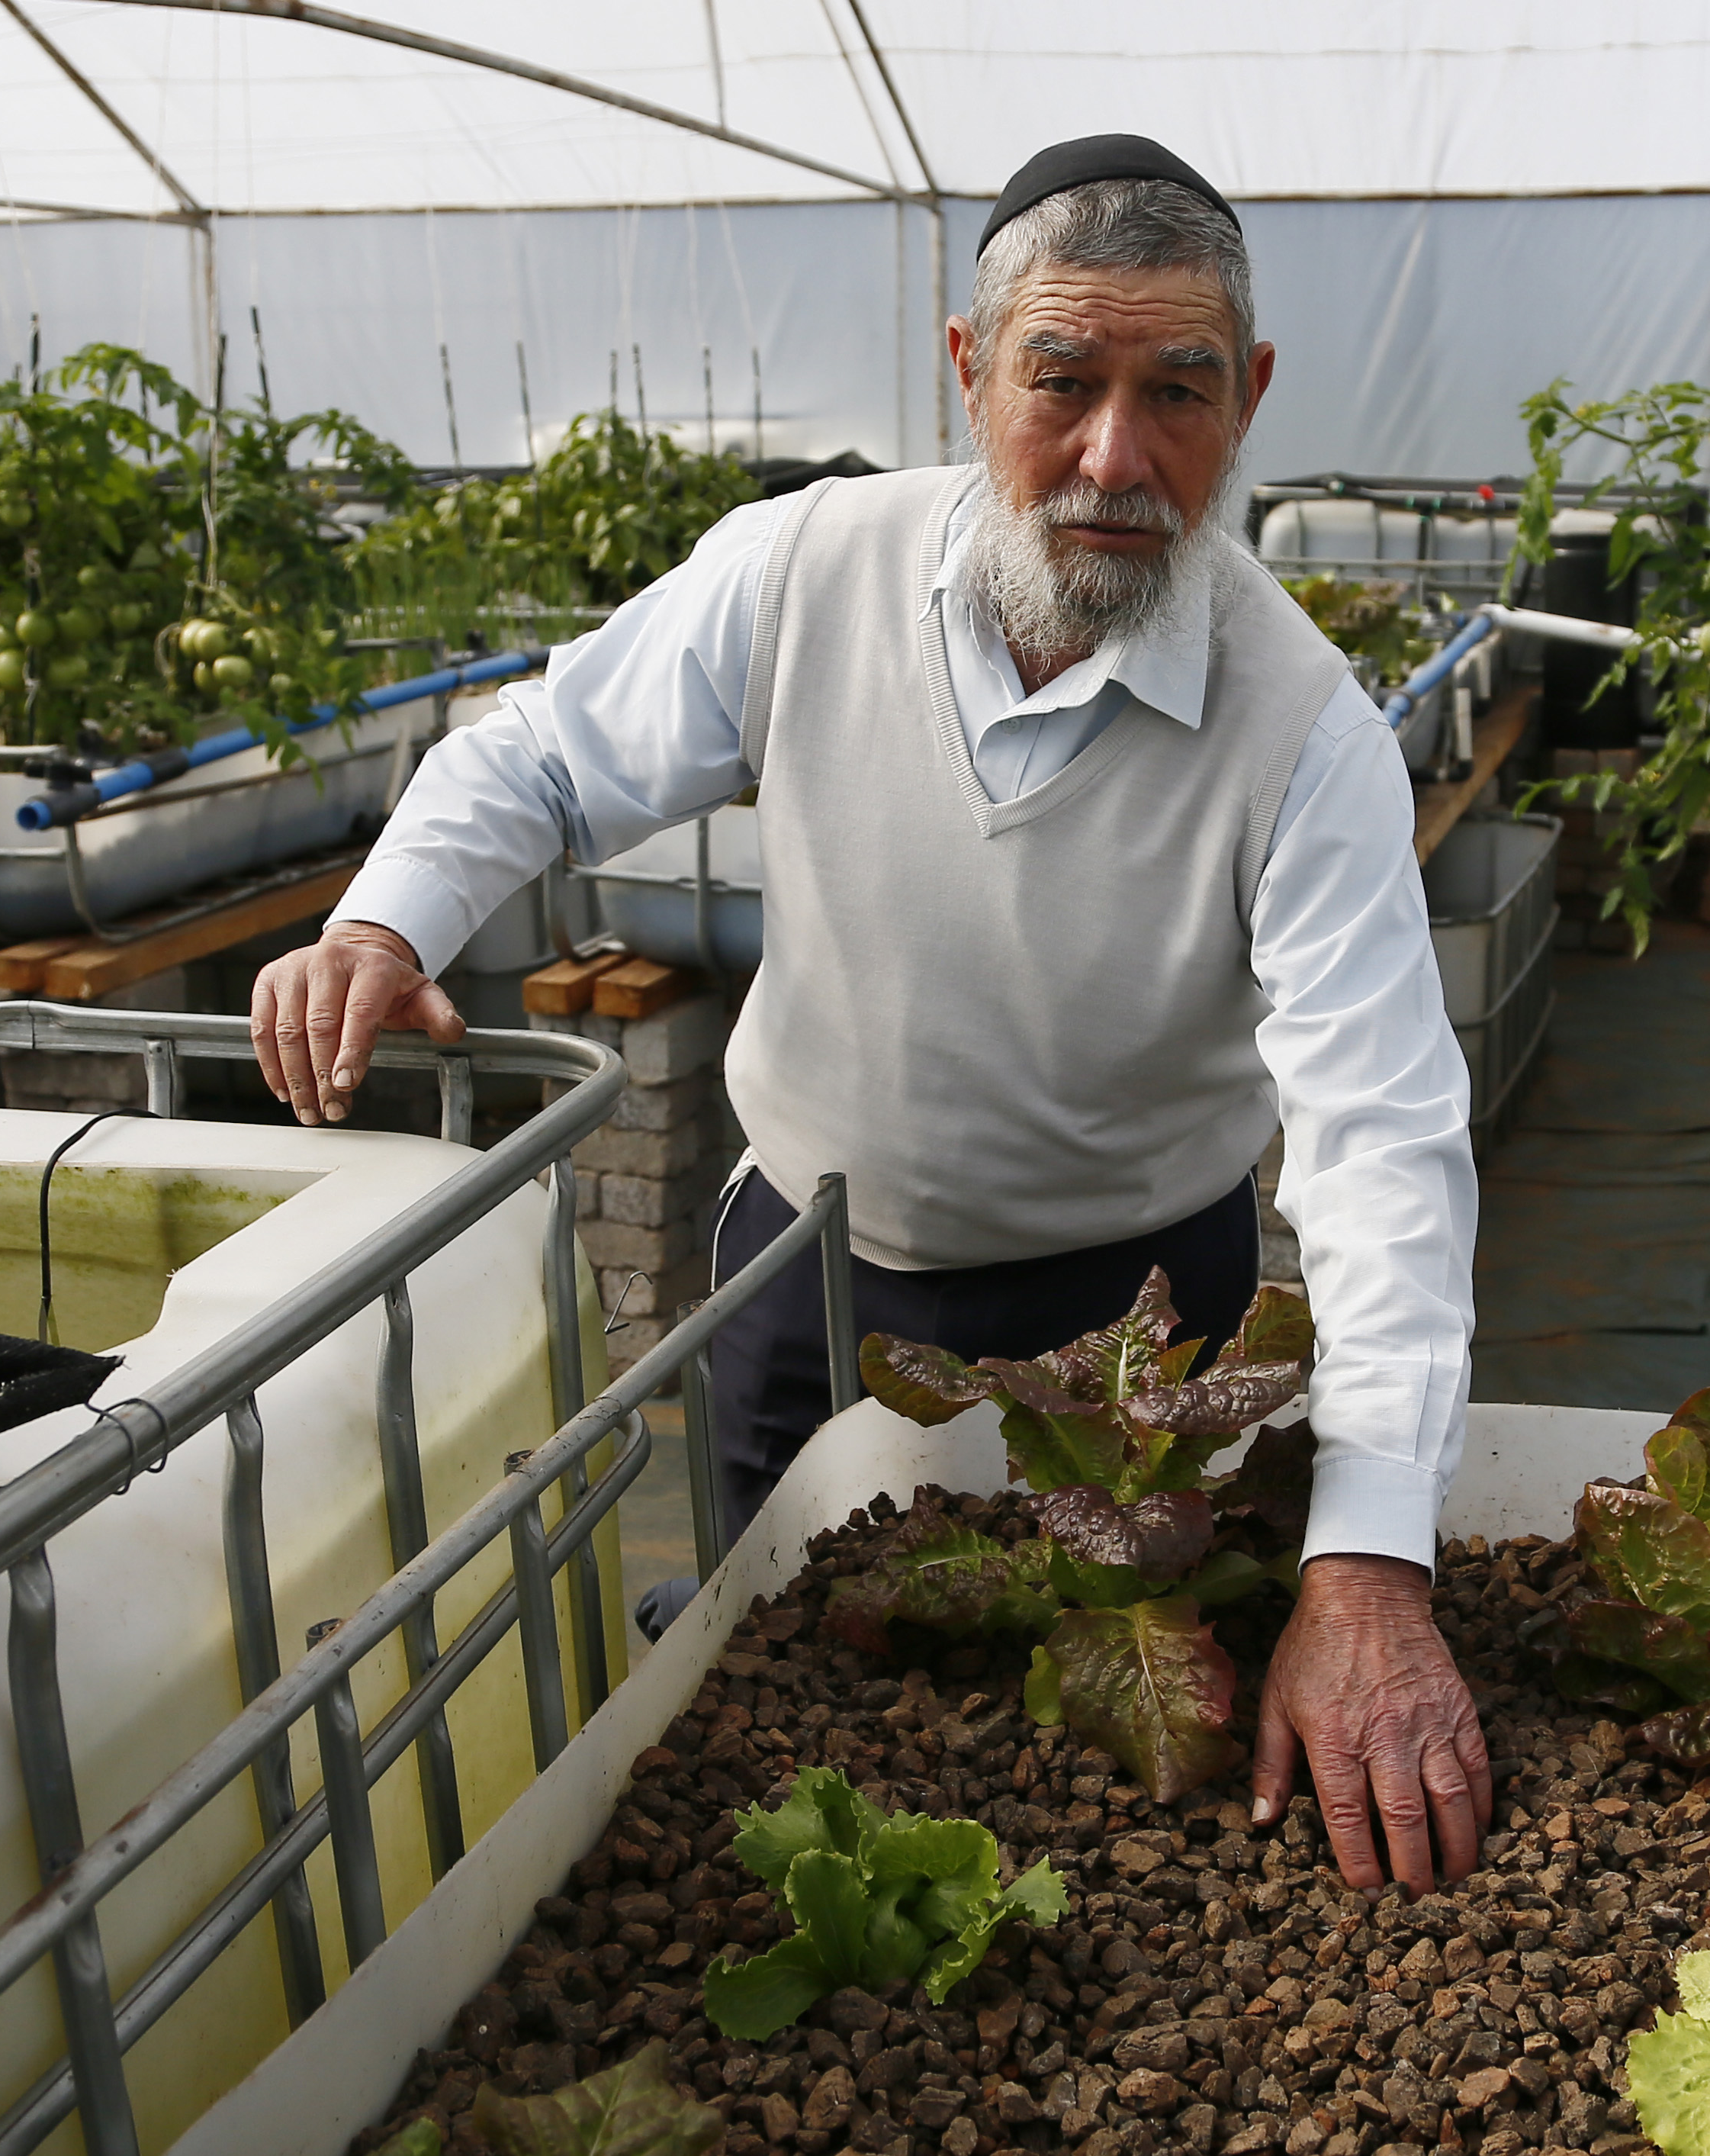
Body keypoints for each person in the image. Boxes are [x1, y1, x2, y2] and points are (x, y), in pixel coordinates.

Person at [251, 137, 1489, 1891]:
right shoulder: (804, 575)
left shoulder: (1305, 733)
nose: (1115, 458)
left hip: (1141, 1320)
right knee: (781, 1732)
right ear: (969, 367)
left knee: (1126, 1788)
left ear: (1253, 396)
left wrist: (1369, 1561)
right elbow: (544, 756)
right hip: (809, 1282)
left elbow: (1379, 1138)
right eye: (1060, 381)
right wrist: (386, 919)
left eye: (1178, 394)